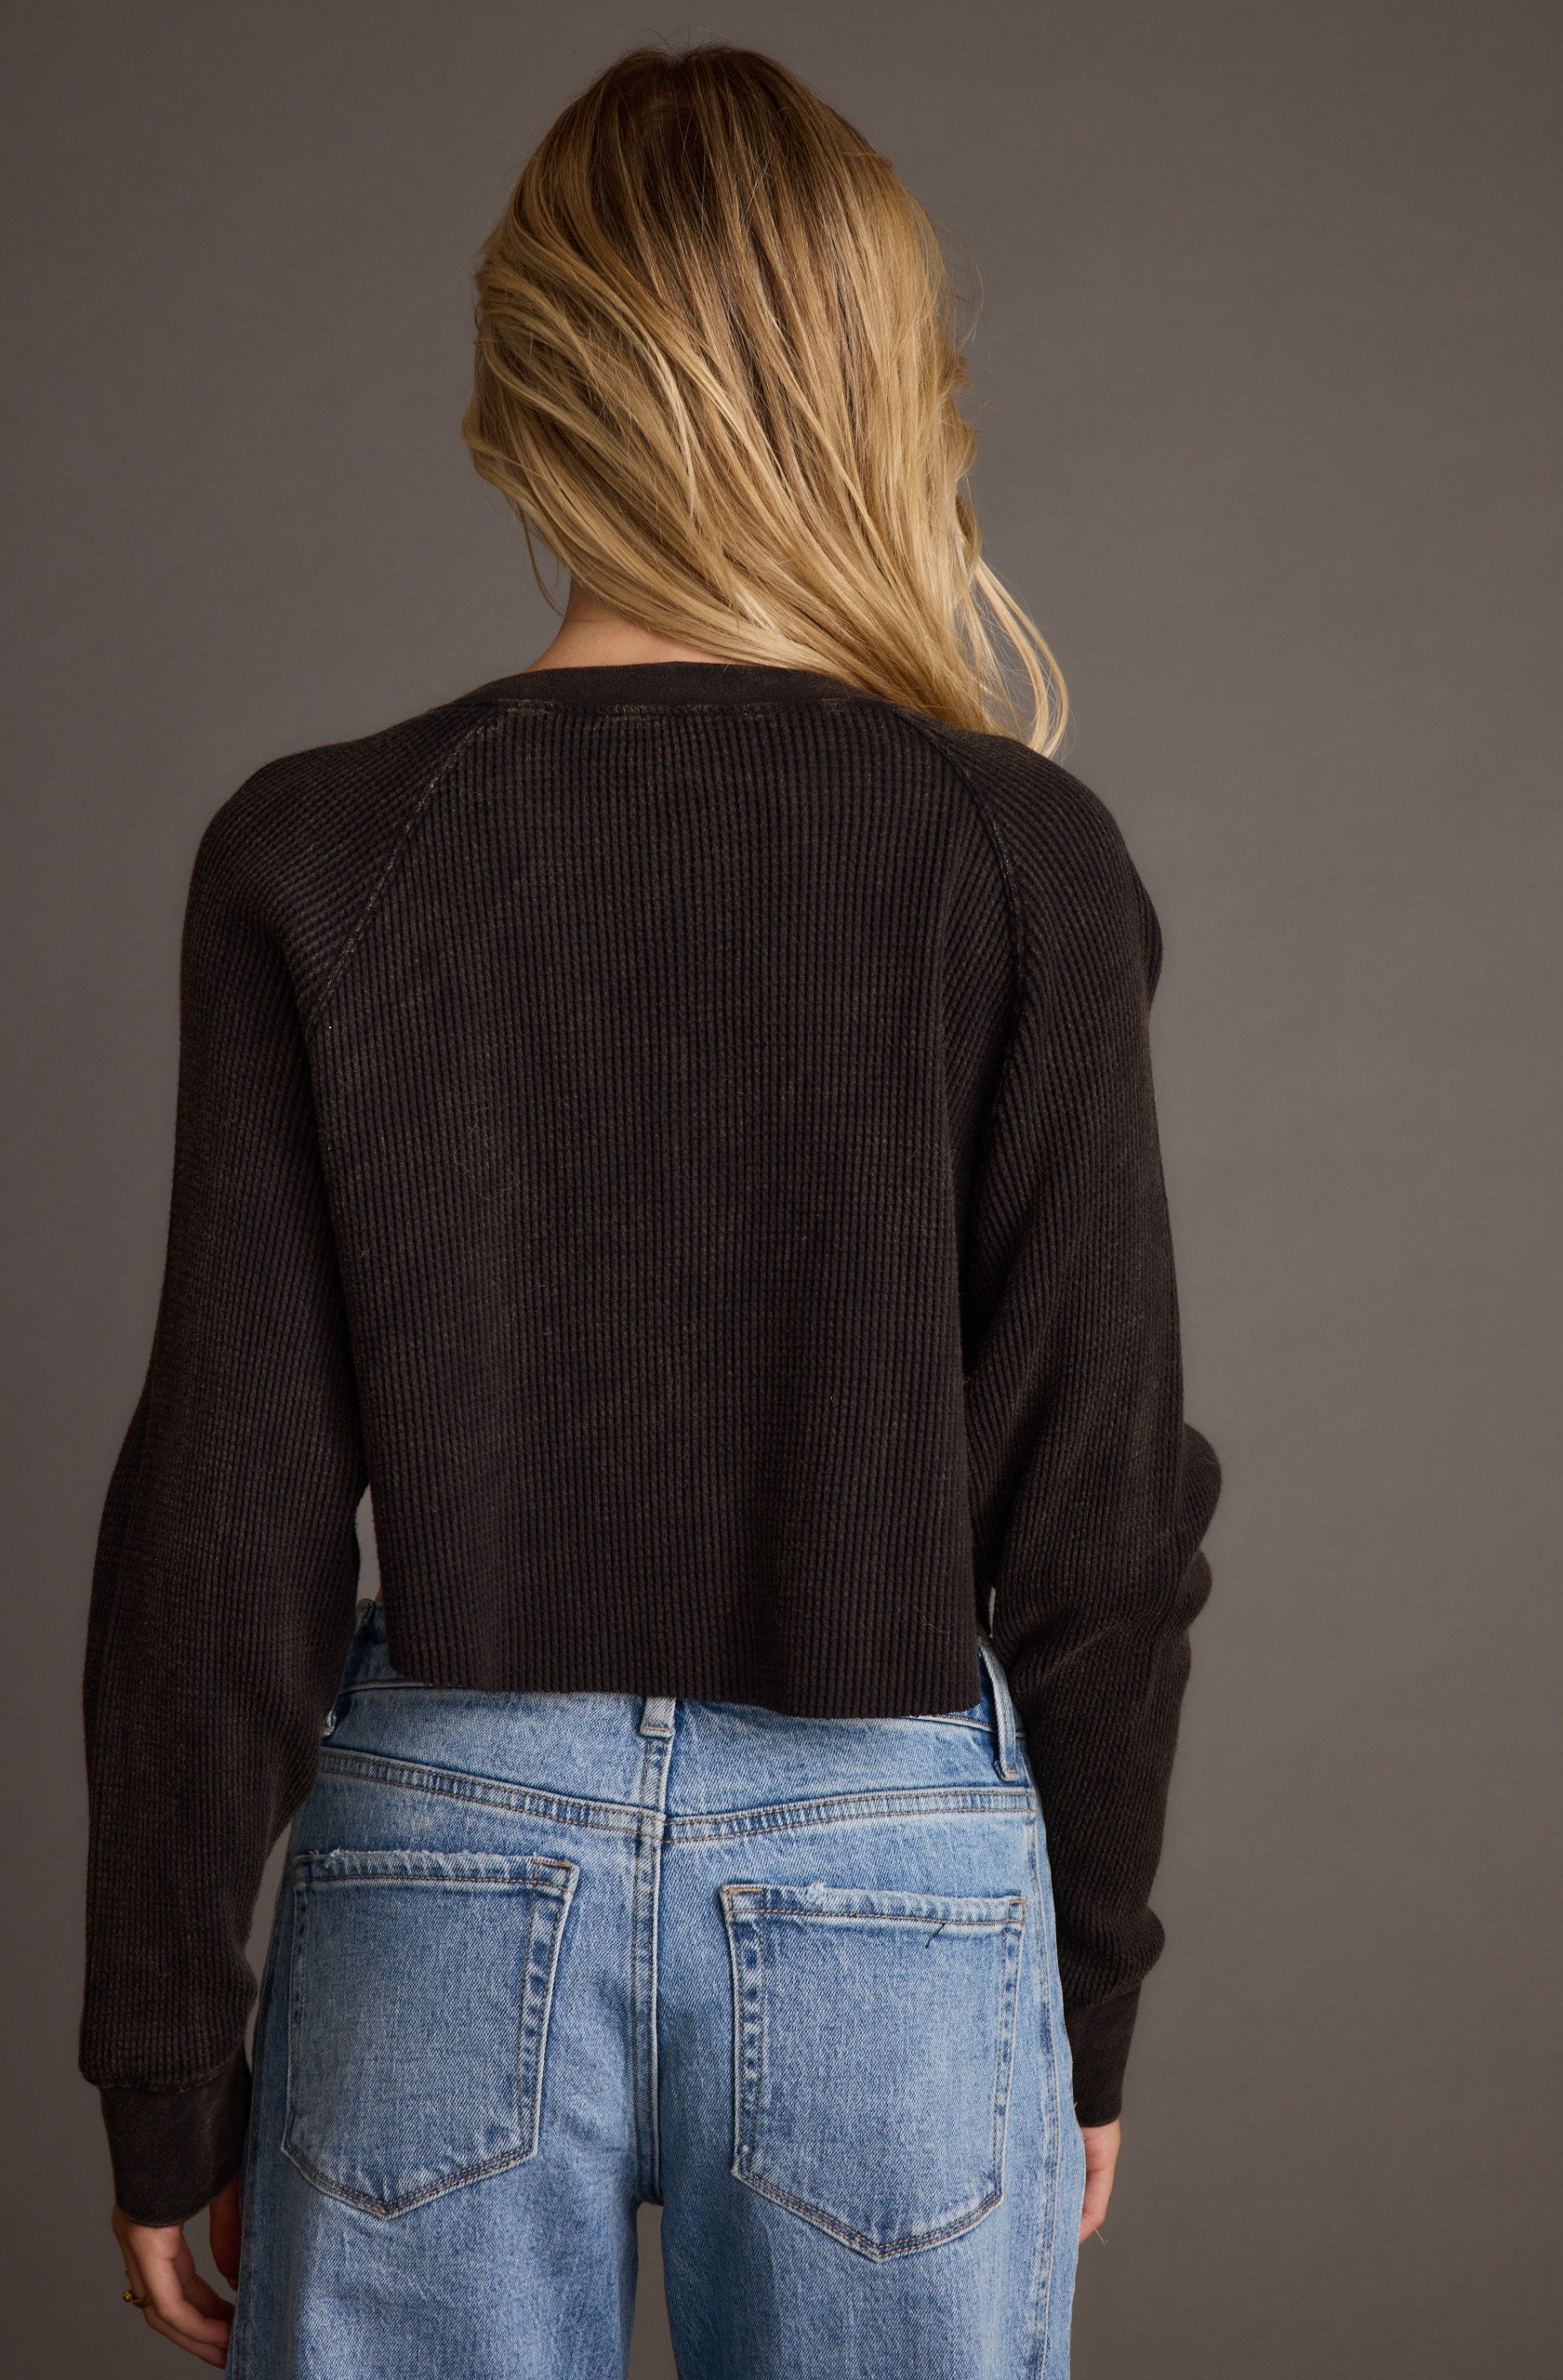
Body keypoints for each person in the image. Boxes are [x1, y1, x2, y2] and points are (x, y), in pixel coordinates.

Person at [84, 41, 1222, 2378]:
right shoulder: (1013, 859)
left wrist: (163, 2059)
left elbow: (225, 1514)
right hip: (888, 1881)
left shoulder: (321, 852)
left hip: (436, 1844)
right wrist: (1075, 1997)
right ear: (889, 385)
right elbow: (1099, 1511)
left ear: (525, 384)